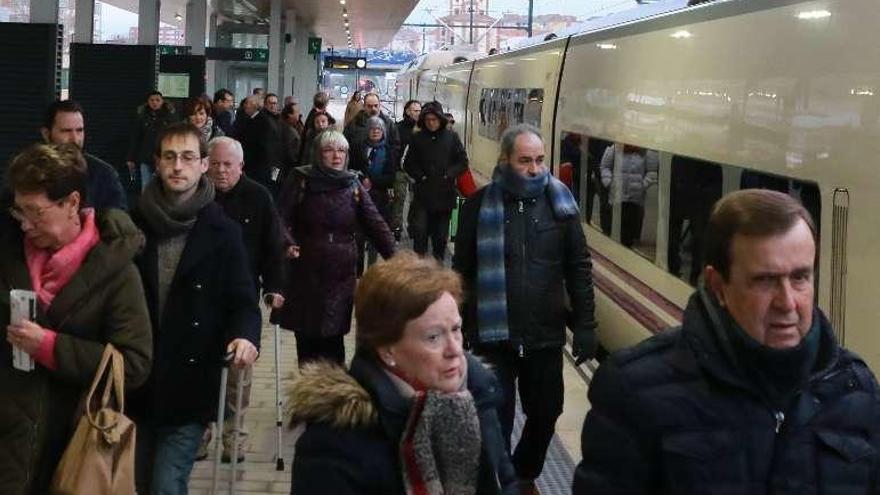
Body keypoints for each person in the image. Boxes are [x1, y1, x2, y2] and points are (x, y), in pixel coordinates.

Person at [573, 188, 880, 493]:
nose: (787, 302)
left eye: (800, 277)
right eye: (765, 280)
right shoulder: (631, 393)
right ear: (718, 286)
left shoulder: (856, 389)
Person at [287, 252, 517, 495]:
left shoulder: (476, 392)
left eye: (456, 329)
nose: (455, 350)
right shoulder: (333, 444)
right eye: (433, 337)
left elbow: (505, 480)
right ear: (387, 350)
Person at [0, 143, 152, 494]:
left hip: (78, 447)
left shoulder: (116, 271)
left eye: (36, 213)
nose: (25, 224)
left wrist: (51, 348)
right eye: (19, 211)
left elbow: (135, 364)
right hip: (10, 445)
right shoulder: (8, 257)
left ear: (71, 203)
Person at [453, 124, 596, 494]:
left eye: (539, 160)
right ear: (505, 160)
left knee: (547, 413)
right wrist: (458, 325)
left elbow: (578, 266)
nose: (535, 169)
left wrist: (585, 324)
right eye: (525, 161)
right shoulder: (477, 205)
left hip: (544, 333)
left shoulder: (561, 206)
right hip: (491, 334)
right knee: (493, 421)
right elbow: (462, 271)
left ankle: (523, 471)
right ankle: (499, 484)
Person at [129, 122, 261, 494]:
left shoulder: (223, 232)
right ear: (156, 162)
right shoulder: (132, 224)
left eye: (188, 157)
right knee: (139, 483)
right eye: (169, 157)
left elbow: (242, 301)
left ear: (203, 165)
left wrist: (245, 338)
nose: (177, 166)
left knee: (166, 485)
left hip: (190, 382)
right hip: (138, 380)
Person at [275, 130, 395, 366]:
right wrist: (287, 243)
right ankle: (309, 392)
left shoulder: (353, 184)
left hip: (339, 273)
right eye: (329, 150)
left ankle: (333, 391)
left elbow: (376, 224)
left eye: (341, 151)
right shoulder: (300, 179)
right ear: (318, 154)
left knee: (333, 336)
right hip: (305, 268)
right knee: (308, 336)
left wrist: (399, 260)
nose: (336, 156)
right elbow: (279, 218)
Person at [403, 101, 468, 260]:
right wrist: (420, 176)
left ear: (440, 120)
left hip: (444, 196)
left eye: (434, 119)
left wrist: (449, 174)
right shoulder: (417, 138)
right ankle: (421, 266)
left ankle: (438, 266)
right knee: (420, 233)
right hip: (423, 195)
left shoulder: (452, 138)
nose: (431, 123)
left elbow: (462, 162)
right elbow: (408, 163)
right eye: (428, 120)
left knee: (440, 237)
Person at [40, 99, 128, 210]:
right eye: (66, 131)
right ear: (46, 134)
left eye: (79, 130)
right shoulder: (29, 173)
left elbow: (119, 221)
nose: (75, 139)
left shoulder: (104, 174)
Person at [350, 116, 397, 271]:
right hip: (358, 196)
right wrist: (362, 179)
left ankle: (371, 270)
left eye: (378, 129)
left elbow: (391, 177)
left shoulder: (388, 151)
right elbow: (350, 168)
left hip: (379, 198)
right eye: (372, 129)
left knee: (374, 236)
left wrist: (373, 181)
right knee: (358, 236)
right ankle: (357, 271)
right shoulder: (358, 148)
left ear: (383, 131)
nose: (375, 132)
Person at [599, 143, 658, 247]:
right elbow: (605, 166)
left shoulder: (647, 152)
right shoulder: (615, 148)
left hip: (635, 199)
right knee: (615, 227)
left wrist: (642, 185)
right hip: (617, 196)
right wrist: (609, 182)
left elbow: (652, 172)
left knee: (629, 230)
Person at [127, 90, 177, 192]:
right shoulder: (142, 117)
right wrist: (130, 158)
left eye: (157, 100)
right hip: (145, 157)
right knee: (145, 186)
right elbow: (135, 138)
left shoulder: (169, 118)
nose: (155, 103)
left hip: (164, 156)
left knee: (163, 186)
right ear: (148, 102)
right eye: (152, 100)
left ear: (162, 101)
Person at [236, 95, 284, 191]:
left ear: (255, 105)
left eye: (247, 103)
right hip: (267, 167)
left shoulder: (262, 121)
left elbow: (264, 147)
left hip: (262, 169)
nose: (245, 106)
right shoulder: (258, 119)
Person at [344, 92, 400, 158]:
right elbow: (345, 145)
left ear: (379, 106)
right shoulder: (354, 124)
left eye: (376, 106)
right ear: (364, 106)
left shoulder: (389, 124)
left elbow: (396, 145)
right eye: (369, 106)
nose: (373, 109)